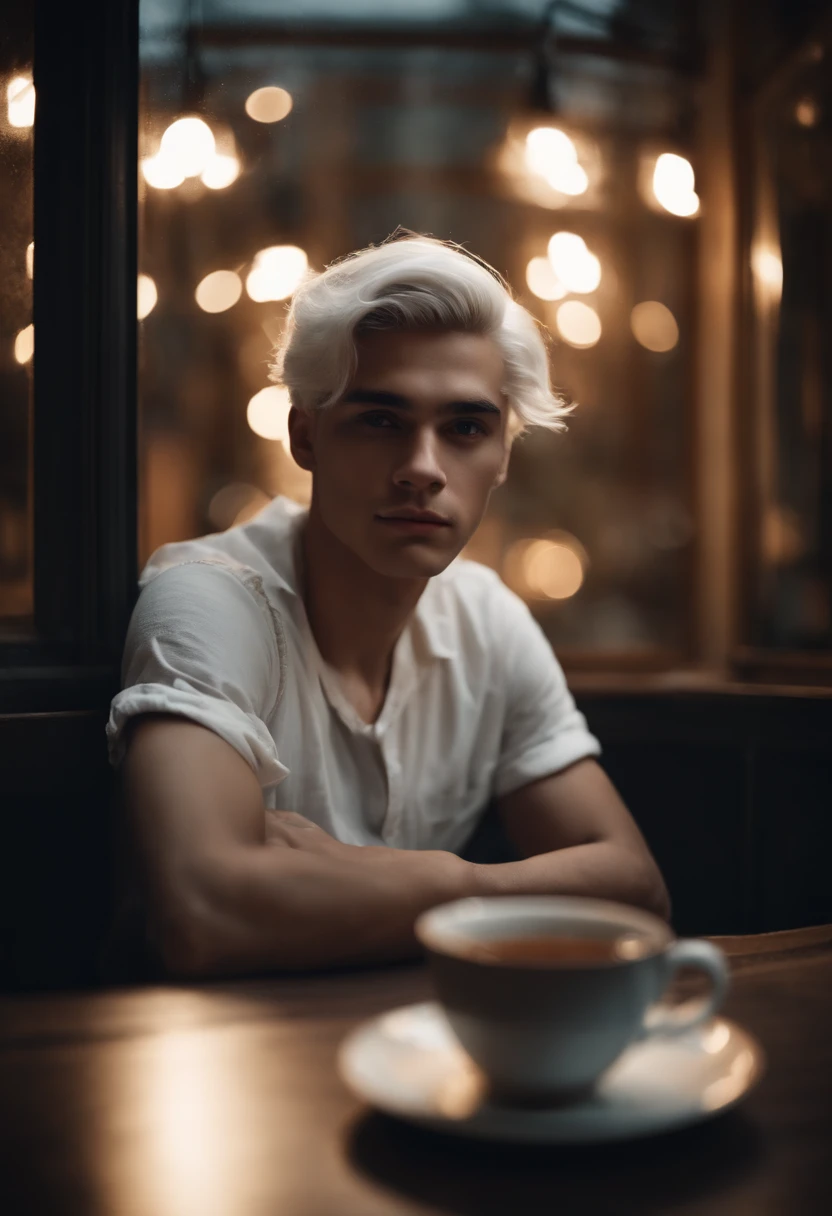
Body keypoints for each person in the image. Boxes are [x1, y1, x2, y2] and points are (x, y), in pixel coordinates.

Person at [105, 232, 670, 980]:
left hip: (428, 1055)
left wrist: (430, 879)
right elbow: (205, 914)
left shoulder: (487, 619)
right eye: (381, 420)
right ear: (305, 433)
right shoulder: (210, 601)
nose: (422, 470)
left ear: (503, 452)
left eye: (466, 427)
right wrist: (474, 892)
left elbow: (636, 888)